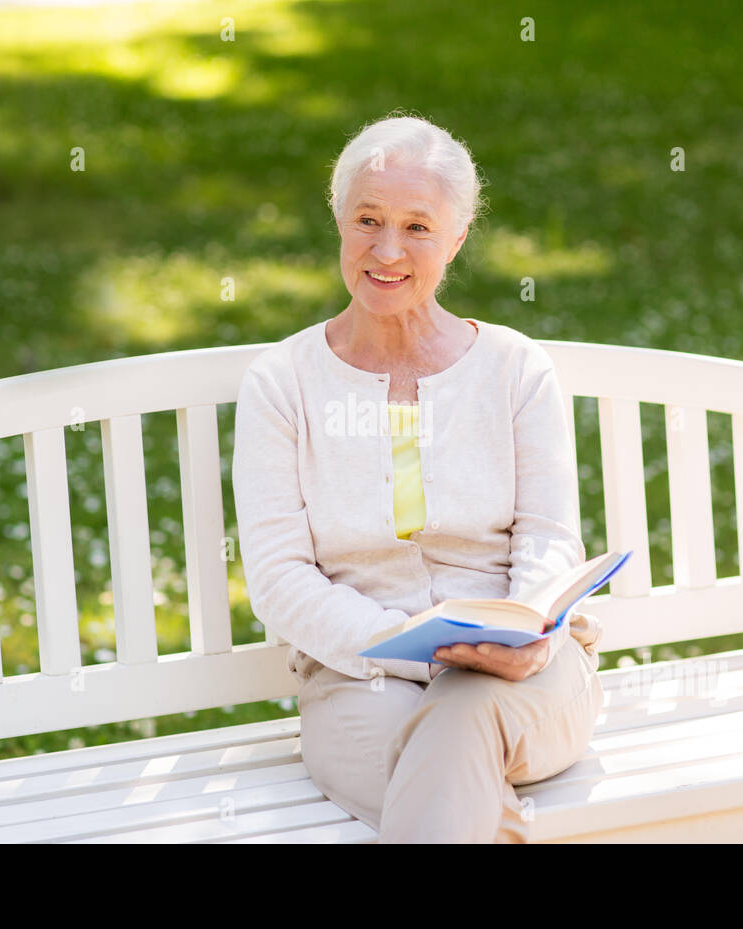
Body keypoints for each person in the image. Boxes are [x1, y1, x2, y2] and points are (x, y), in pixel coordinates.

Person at [231, 112, 604, 843]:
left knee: (463, 719)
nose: (388, 249)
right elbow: (280, 579)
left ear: (457, 238)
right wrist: (410, 643)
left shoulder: (515, 369)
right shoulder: (283, 382)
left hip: (526, 680)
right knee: (450, 777)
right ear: (338, 220)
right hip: (360, 681)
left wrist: (522, 634)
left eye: (418, 227)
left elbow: (551, 541)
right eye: (368, 219)